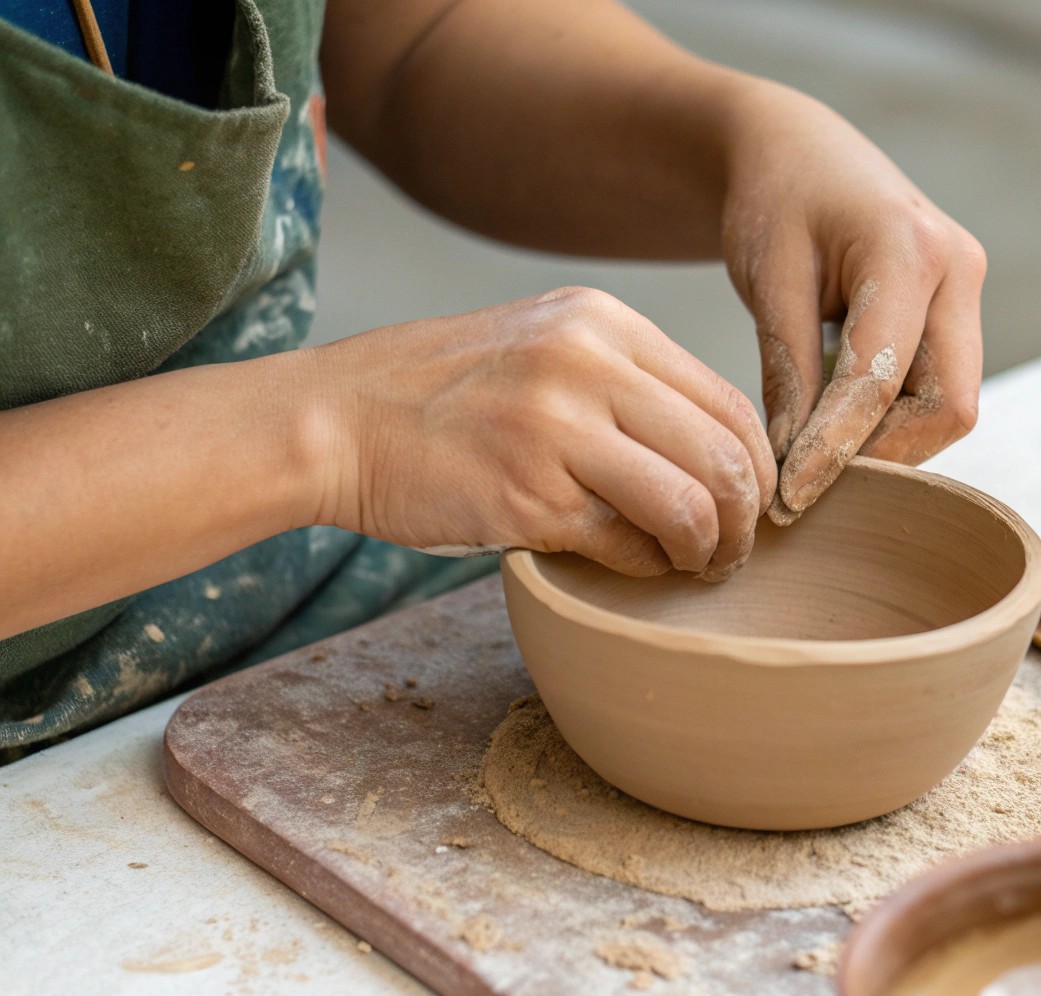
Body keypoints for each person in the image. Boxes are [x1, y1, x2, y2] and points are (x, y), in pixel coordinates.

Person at [0, 0, 985, 759]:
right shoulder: (325, 444)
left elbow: (415, 35)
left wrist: (742, 136)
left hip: (255, 558)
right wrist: (338, 434)